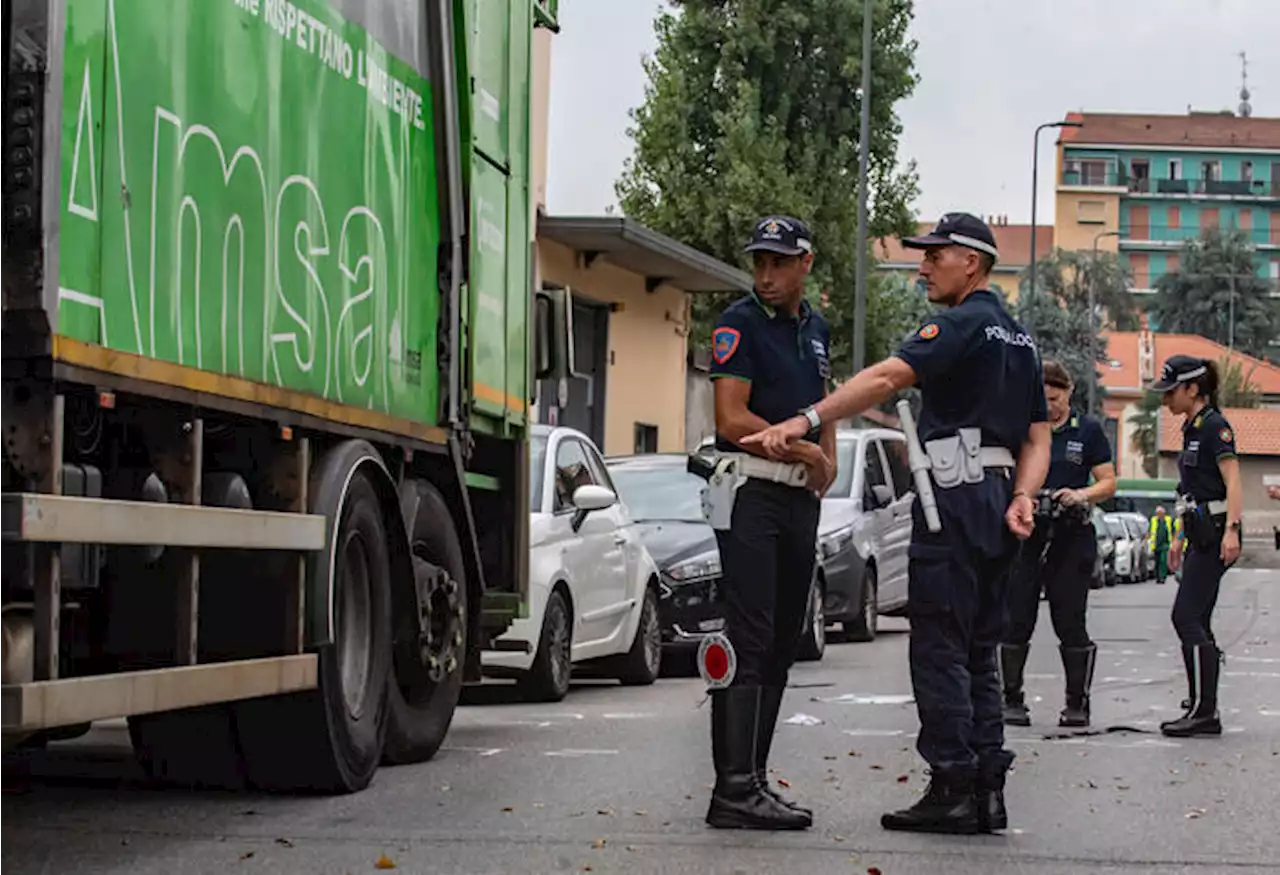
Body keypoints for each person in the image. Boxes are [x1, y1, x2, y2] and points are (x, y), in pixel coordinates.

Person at [741, 212, 1050, 835]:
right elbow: (1038, 437)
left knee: (939, 643)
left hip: (954, 503)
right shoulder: (1021, 338)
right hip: (993, 497)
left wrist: (804, 420)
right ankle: (987, 787)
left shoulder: (959, 324)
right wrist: (1023, 495)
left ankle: (952, 785)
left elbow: (887, 377)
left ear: (973, 262)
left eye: (936, 254)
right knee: (979, 650)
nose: (924, 265)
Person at [701, 214, 836, 831]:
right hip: (752, 492)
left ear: (805, 262)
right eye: (759, 262)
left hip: (798, 499)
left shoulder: (816, 329)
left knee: (784, 640)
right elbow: (731, 419)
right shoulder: (738, 323)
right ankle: (731, 787)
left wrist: (826, 455)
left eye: (779, 262)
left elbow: (822, 403)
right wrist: (802, 451)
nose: (766, 274)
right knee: (750, 636)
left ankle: (753, 779)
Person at [999, 359, 1116, 729]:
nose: (1050, 406)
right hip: (1027, 535)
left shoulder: (1089, 431)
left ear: (1069, 393)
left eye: (1055, 397)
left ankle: (1076, 703)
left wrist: (1080, 495)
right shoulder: (1024, 428)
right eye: (1043, 398)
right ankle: (1011, 699)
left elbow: (1109, 481)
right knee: (1016, 618)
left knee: (1070, 620)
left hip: (1071, 535)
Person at [1148, 355, 1243, 738]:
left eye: (1171, 392)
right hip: (1198, 531)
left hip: (1217, 530)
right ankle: (1202, 704)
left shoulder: (1215, 426)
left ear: (1192, 389)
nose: (1165, 400)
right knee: (1196, 619)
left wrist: (1233, 531)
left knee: (1185, 616)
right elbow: (1188, 493)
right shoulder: (1190, 428)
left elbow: (1232, 481)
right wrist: (1177, 537)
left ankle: (1205, 711)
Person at [1148, 506, 1178, 585]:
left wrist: (1174, 542)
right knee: (1157, 561)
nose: (1159, 515)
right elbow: (1149, 531)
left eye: (1161, 513)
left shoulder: (1168, 520)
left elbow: (1173, 531)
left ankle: (1162, 577)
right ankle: (1158, 577)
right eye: (1158, 513)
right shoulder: (1153, 521)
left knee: (1163, 561)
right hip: (1155, 545)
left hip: (1165, 544)